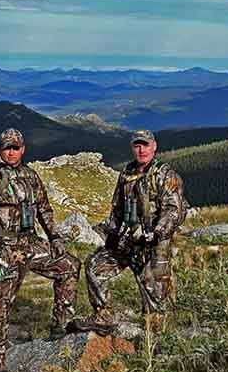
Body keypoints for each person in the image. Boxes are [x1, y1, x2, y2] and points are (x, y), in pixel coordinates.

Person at [0, 128, 81, 372]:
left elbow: (44, 209)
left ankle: (61, 326)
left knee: (69, 265)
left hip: (29, 243)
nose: (12, 151)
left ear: (23, 149)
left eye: (16, 147)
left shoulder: (30, 176)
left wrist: (55, 237)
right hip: (1, 246)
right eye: (7, 147)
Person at [71, 130, 186, 335]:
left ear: (154, 146)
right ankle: (103, 316)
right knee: (95, 265)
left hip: (155, 242)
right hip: (130, 238)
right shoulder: (127, 173)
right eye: (137, 145)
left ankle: (155, 338)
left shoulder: (165, 175)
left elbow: (173, 210)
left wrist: (157, 234)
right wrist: (112, 233)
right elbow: (117, 207)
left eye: (145, 145)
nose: (141, 149)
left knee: (154, 288)